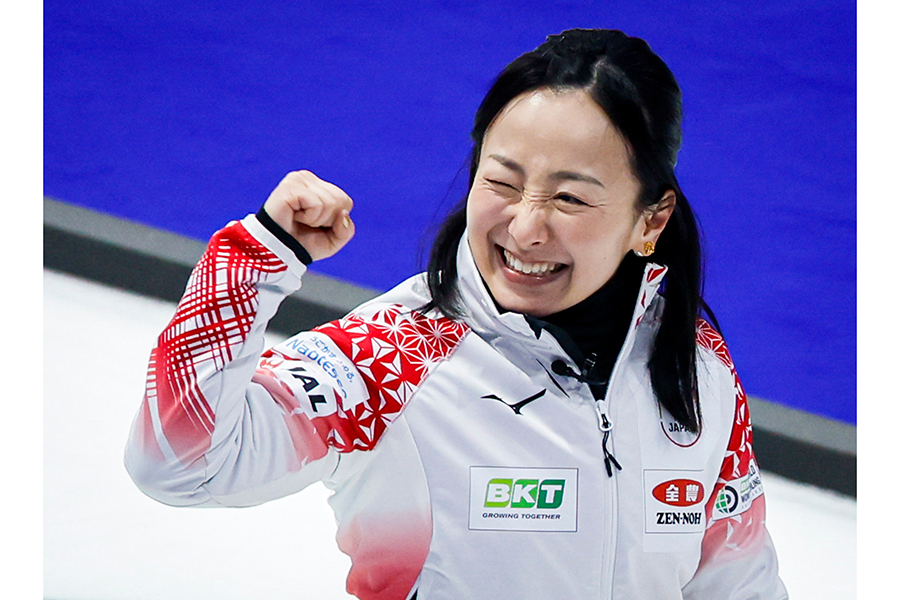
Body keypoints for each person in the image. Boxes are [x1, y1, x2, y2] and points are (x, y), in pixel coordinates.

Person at [125, 29, 788, 599]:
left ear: (652, 220)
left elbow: (737, 582)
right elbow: (180, 464)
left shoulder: (694, 362)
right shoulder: (393, 357)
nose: (525, 228)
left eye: (570, 199)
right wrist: (254, 260)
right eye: (502, 182)